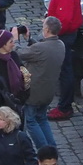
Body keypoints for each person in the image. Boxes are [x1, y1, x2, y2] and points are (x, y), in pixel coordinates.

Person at [17, 19, 63, 153]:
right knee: (42, 119)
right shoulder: (60, 45)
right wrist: (30, 39)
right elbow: (42, 51)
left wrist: (14, 40)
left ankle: (45, 152)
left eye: (43, 27)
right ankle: (52, 148)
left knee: (31, 121)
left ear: (47, 30)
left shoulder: (40, 48)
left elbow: (21, 53)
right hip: (48, 92)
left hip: (34, 92)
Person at [45, 0, 83, 119]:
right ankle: (65, 104)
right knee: (65, 71)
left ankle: (65, 106)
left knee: (65, 72)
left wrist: (53, 33)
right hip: (65, 35)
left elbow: (64, 20)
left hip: (64, 37)